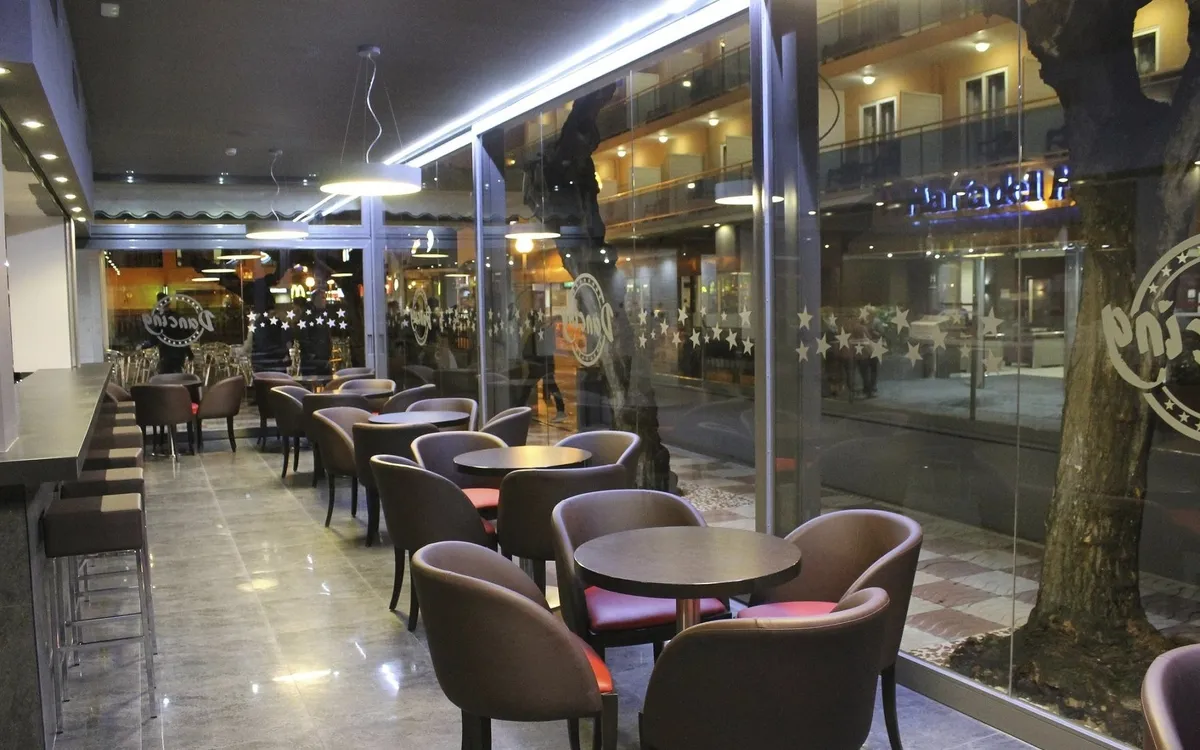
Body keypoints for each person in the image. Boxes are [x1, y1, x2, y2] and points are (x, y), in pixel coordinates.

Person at [140, 292, 194, 374]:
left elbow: (153, 339)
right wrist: (189, 352)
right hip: (179, 354)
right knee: (178, 376)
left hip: (166, 355)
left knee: (166, 377)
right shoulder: (178, 316)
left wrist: (143, 346)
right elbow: (185, 336)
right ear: (169, 304)